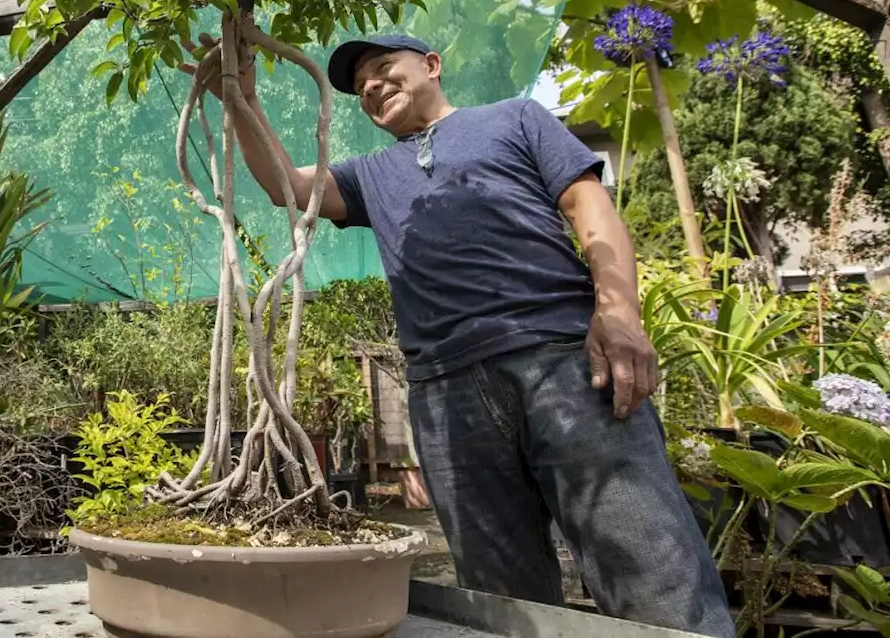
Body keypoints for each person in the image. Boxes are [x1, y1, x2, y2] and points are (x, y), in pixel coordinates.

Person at [182, 33, 733, 638]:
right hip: (446, 393)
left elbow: (588, 205)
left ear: (432, 66)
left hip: (564, 361)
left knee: (652, 569)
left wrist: (620, 310)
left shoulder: (514, 119)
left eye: (383, 68)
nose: (371, 86)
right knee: (500, 600)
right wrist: (239, 95)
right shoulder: (369, 174)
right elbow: (283, 183)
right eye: (361, 85)